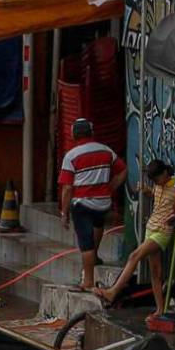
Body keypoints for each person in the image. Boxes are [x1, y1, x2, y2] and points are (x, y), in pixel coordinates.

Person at [99, 160, 175, 311]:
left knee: (134, 256)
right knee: (155, 272)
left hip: (162, 232)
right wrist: (146, 189)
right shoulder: (158, 185)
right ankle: (160, 309)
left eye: (157, 179)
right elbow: (156, 196)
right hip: (151, 228)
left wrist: (173, 217)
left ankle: (113, 291)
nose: (157, 183)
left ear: (165, 173)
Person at [56, 118, 124, 293]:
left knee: (85, 242)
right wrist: (111, 187)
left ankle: (88, 281)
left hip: (83, 204)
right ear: (91, 132)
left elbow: (67, 188)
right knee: (97, 225)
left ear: (73, 134)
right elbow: (123, 170)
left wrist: (64, 213)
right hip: (103, 203)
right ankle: (95, 256)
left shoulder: (71, 156)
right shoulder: (106, 150)